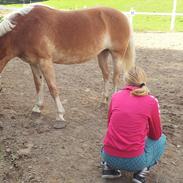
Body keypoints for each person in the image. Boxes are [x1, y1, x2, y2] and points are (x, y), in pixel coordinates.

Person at [101, 66, 166, 183]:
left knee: (113, 135)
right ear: (144, 81)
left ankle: (109, 167)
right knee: (162, 139)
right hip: (136, 161)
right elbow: (156, 135)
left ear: (126, 80)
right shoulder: (151, 101)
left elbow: (109, 124)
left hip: (108, 155)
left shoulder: (115, 96)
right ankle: (140, 172)